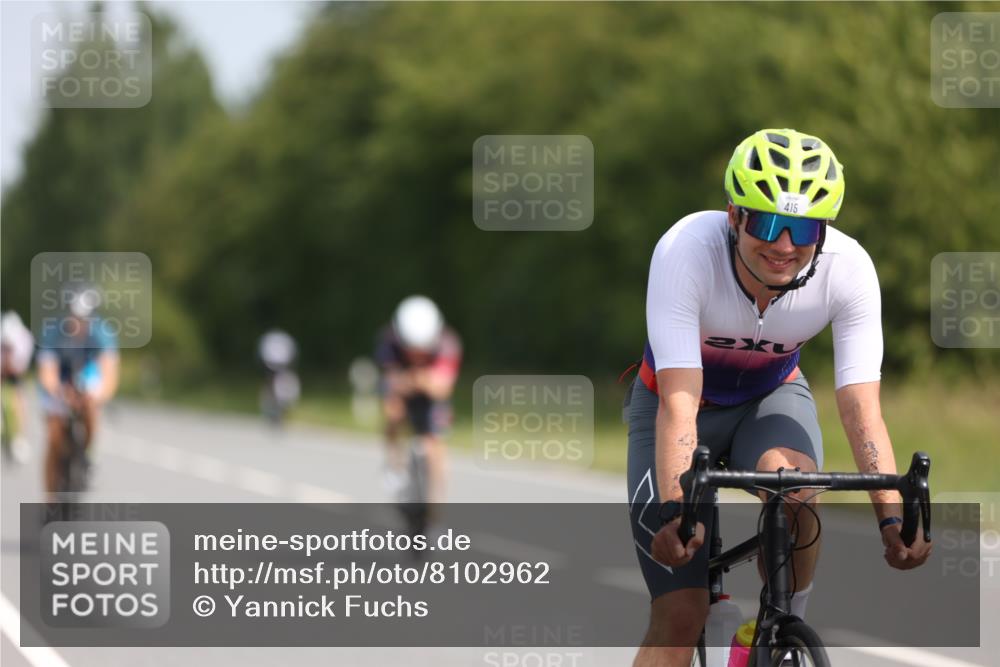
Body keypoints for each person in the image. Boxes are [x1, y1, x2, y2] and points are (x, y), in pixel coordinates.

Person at [625, 129, 931, 666]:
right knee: (679, 617)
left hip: (770, 395)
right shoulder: (686, 250)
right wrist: (678, 507)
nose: (785, 245)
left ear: (824, 229)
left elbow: (861, 408)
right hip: (677, 405)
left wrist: (892, 518)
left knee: (798, 489)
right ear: (734, 216)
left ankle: (779, 626)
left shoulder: (849, 269)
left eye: (804, 228)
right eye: (767, 224)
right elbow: (679, 401)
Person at [36, 283, 119, 498]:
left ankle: (88, 455)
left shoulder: (102, 333)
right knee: (54, 437)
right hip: (61, 379)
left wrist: (97, 396)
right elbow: (47, 372)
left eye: (84, 319)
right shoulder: (53, 332)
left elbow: (108, 373)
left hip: (87, 374)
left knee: (92, 405)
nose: (79, 324)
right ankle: (50, 499)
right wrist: (59, 392)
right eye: (74, 317)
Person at [375, 295, 461, 504]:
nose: (416, 356)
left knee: (436, 442)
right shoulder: (389, 341)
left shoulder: (448, 344)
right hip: (403, 390)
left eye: (422, 351)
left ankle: (435, 502)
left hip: (432, 397)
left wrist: (421, 381)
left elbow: (443, 389)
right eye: (411, 350)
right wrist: (412, 381)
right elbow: (390, 381)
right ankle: (394, 463)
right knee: (393, 411)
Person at [1, 311, 36, 463]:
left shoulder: (25, 340)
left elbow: (20, 369)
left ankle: (19, 437)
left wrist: (9, 363)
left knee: (19, 398)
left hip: (15, 370)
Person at [257, 328, 300, 427]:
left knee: (282, 383)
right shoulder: (276, 340)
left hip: (280, 363)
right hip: (271, 363)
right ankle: (271, 407)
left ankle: (280, 406)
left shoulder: (278, 340)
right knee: (270, 384)